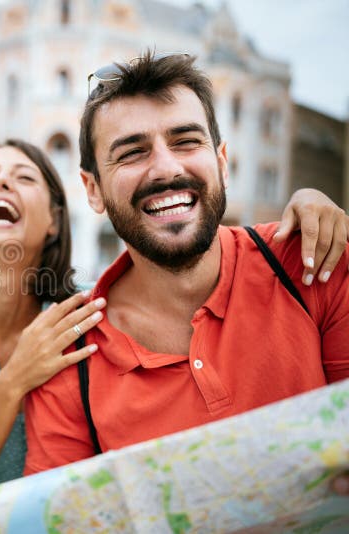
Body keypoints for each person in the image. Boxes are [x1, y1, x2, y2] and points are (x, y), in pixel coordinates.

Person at [0, 135, 346, 510]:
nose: (0, 181)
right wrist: (14, 380)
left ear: (54, 220)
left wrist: (309, 200)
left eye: (23, 177)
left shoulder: (85, 320)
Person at [23, 52, 349, 498]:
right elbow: (59, 518)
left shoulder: (313, 261)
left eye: (186, 141)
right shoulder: (69, 360)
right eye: (132, 152)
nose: (166, 168)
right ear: (93, 190)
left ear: (223, 163)